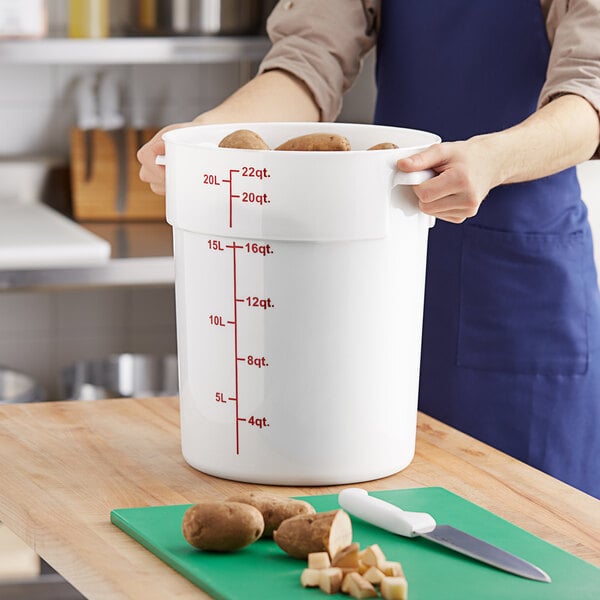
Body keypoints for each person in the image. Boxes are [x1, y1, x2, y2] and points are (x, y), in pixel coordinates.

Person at [138, 0, 600, 498]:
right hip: (384, 274)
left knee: (532, 521)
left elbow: (590, 90)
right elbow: (308, 60)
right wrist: (207, 137)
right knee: (384, 514)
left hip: (519, 292)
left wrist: (493, 159)